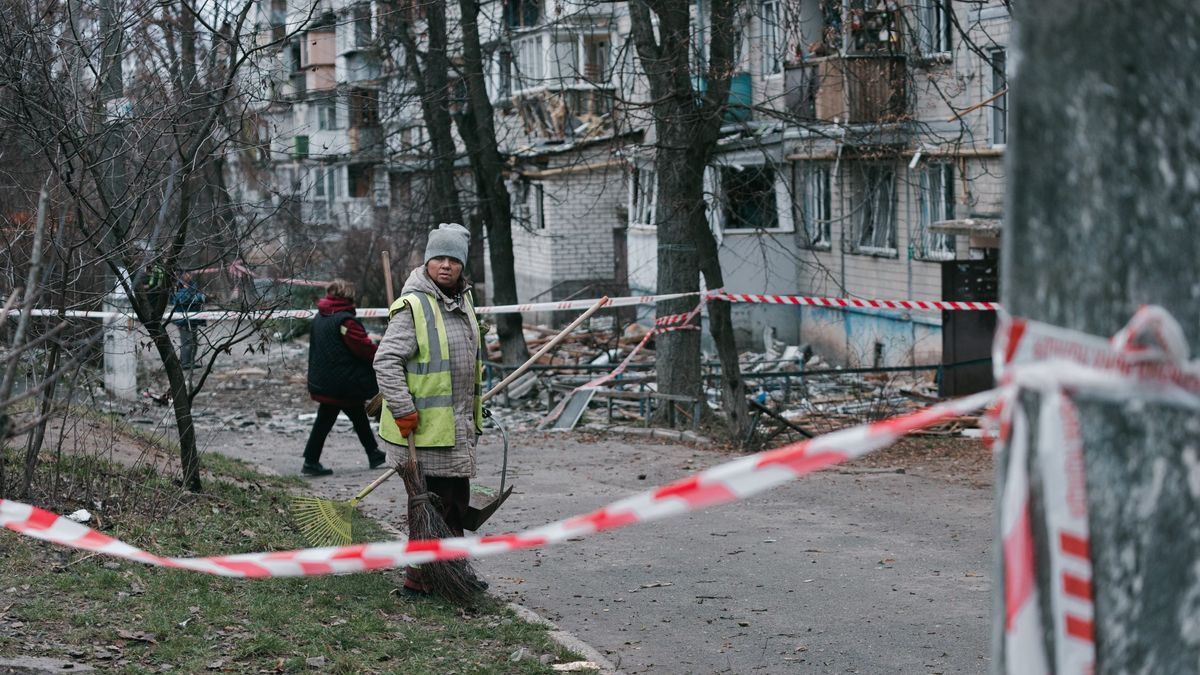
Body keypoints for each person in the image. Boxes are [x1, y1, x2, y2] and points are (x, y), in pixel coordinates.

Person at [374, 223, 486, 594]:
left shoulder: (463, 301)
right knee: (430, 508)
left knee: (454, 506)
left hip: (454, 428)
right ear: (427, 262)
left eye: (453, 259)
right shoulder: (414, 306)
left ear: (462, 265)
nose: (445, 265)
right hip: (421, 432)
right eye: (438, 258)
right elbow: (386, 361)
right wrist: (403, 409)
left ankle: (452, 574)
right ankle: (419, 581)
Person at [303, 279, 387, 476]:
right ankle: (311, 461)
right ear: (348, 295)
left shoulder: (321, 316)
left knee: (355, 415)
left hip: (328, 379)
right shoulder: (345, 321)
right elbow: (362, 348)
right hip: (343, 382)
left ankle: (373, 453)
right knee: (330, 420)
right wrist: (383, 354)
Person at [171, 271, 206, 369]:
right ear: (182, 275)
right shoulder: (178, 287)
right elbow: (181, 299)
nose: (189, 276)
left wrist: (198, 297)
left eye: (190, 274)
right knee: (187, 342)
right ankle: (185, 363)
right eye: (187, 273)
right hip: (184, 320)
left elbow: (200, 296)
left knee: (193, 342)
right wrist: (197, 298)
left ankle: (190, 362)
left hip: (194, 319)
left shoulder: (193, 285)